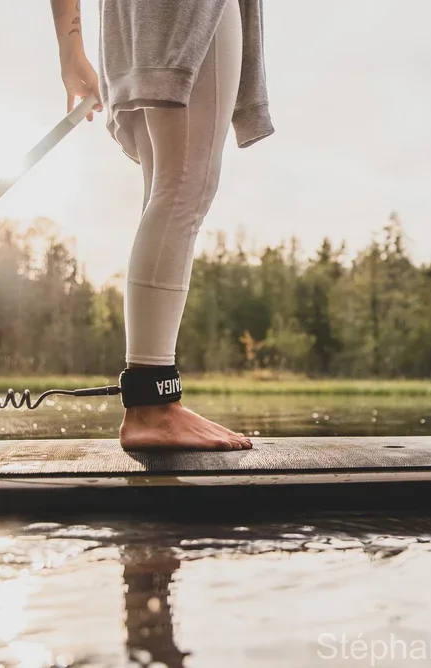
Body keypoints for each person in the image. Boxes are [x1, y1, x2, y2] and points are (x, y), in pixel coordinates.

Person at [50, 0, 273, 450]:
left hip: (129, 18)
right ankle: (151, 406)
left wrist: (69, 43)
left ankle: (153, 400)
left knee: (168, 188)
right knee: (184, 188)